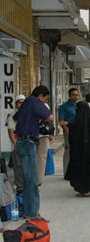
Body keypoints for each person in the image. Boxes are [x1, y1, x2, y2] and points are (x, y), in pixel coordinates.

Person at [14, 85, 53, 218]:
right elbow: (50, 117)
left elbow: (16, 116)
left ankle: (27, 210)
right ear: (40, 96)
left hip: (21, 141)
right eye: (45, 99)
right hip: (28, 142)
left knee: (27, 178)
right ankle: (32, 213)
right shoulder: (34, 101)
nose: (44, 102)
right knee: (32, 179)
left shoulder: (26, 102)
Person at [66, 101, 90, 197]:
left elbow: (74, 135)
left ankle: (84, 190)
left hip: (81, 152)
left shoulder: (78, 122)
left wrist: (68, 125)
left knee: (82, 169)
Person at [6, 94, 25, 194]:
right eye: (19, 102)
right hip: (18, 143)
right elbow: (11, 131)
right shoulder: (13, 116)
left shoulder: (28, 114)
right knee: (18, 166)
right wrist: (15, 144)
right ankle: (20, 187)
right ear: (16, 104)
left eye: (23, 102)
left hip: (28, 143)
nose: (21, 105)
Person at [58, 88, 79, 178]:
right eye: (73, 95)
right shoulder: (64, 107)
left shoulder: (78, 106)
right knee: (68, 150)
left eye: (77, 95)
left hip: (78, 130)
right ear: (69, 96)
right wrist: (67, 130)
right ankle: (67, 173)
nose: (75, 97)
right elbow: (61, 121)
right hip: (69, 130)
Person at [37, 102, 53, 185]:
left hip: (44, 135)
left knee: (42, 157)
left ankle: (39, 179)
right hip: (33, 135)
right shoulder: (32, 105)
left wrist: (51, 134)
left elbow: (49, 120)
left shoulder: (45, 106)